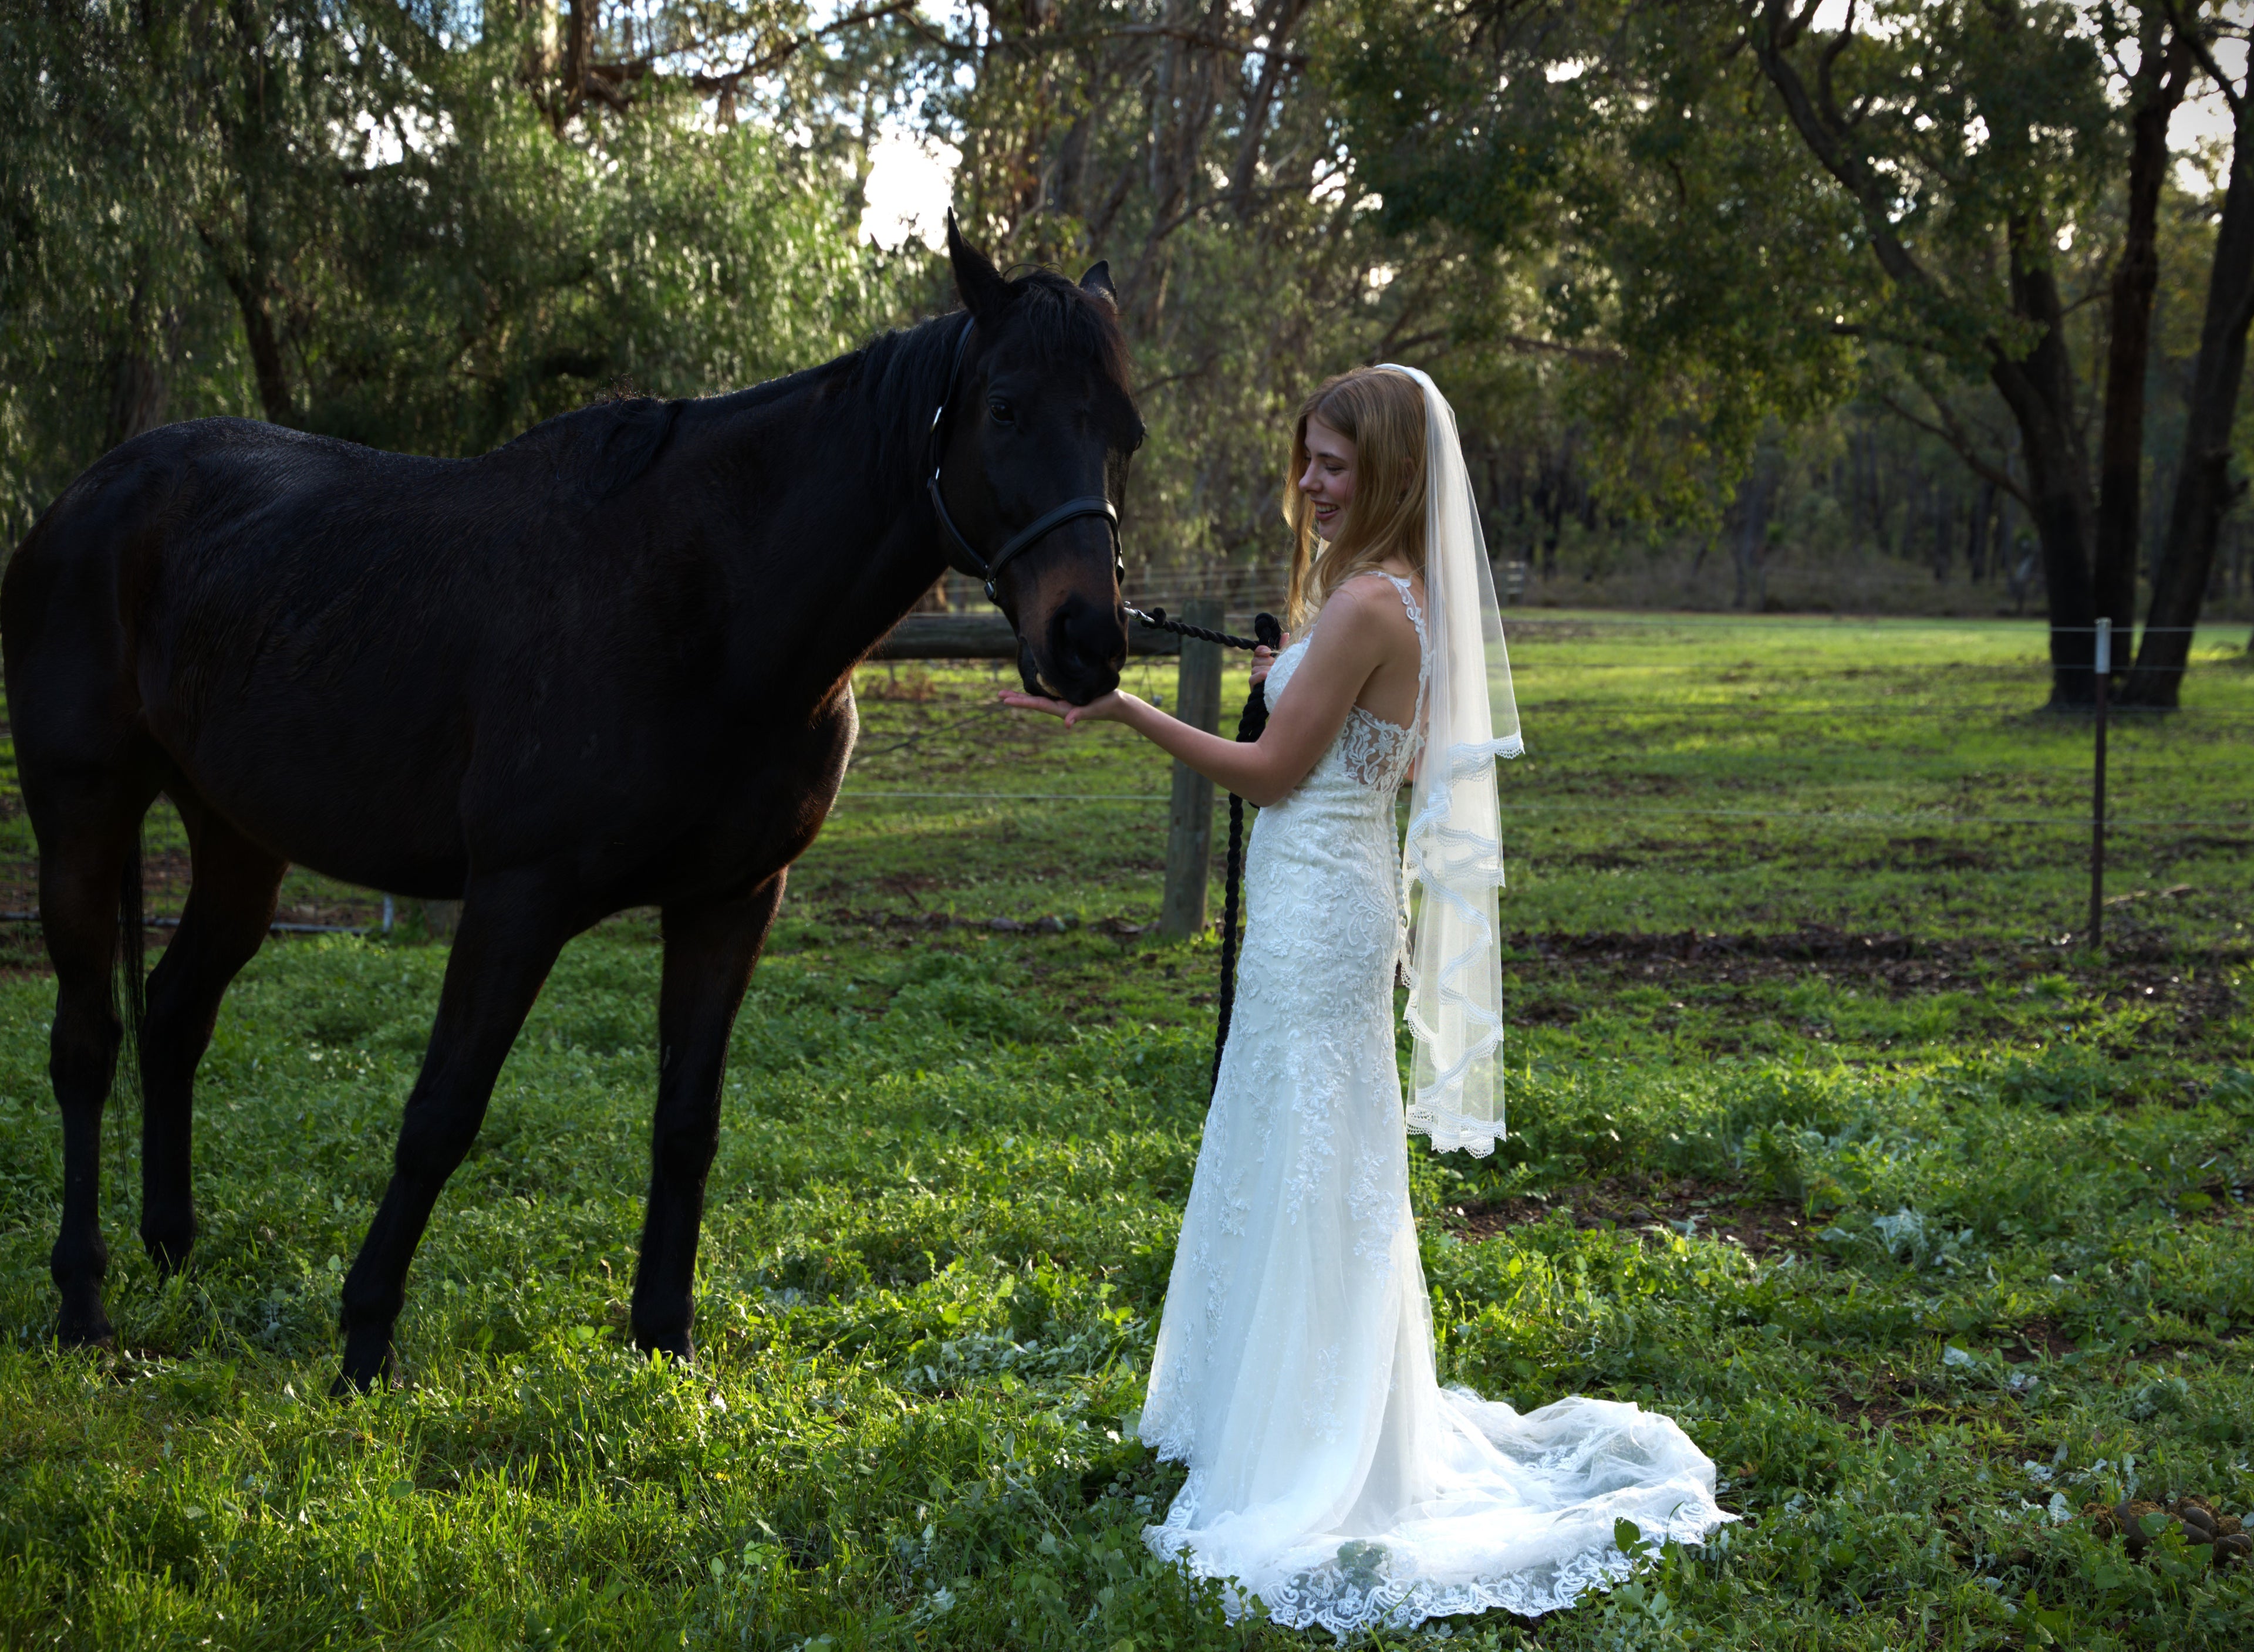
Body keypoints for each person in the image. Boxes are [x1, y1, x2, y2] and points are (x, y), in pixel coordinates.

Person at [1001, 367, 1730, 1637]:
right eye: (1306, 461)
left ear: (1390, 469)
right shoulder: (1399, 597)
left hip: (1317, 905)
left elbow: (1275, 774)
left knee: (1307, 1144)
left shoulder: (1362, 609)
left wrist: (1117, 705)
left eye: (1333, 464)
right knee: (1309, 1144)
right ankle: (1291, 1401)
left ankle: (1306, 1437)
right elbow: (1337, 731)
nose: (1310, 483)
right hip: (1335, 902)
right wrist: (1297, 669)